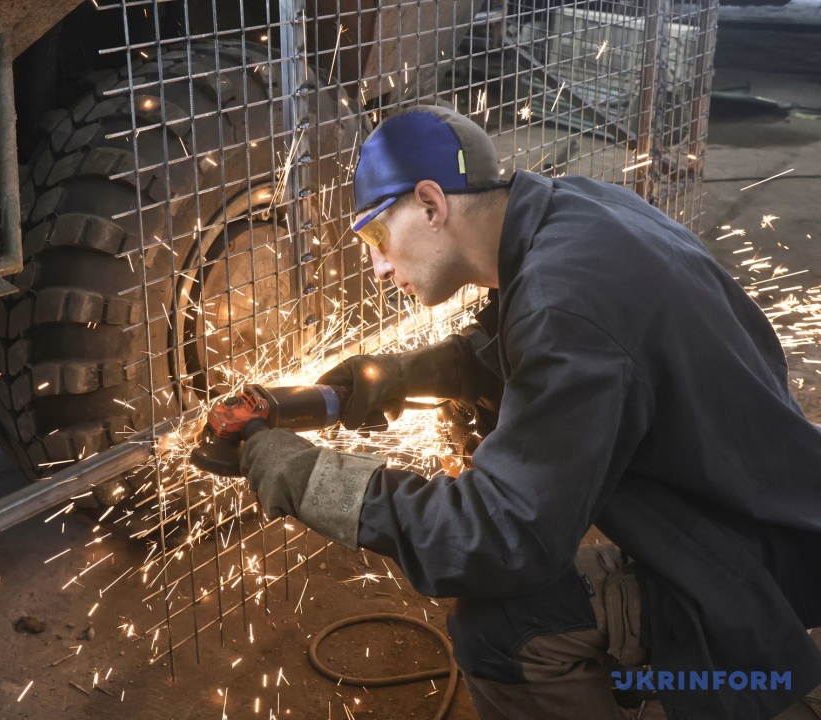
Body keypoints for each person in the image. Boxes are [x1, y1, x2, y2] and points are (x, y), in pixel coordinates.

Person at [238, 104, 821, 719]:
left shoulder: (565, 305)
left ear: (432, 204)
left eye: (377, 237)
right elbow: (518, 345)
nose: (380, 268)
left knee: (503, 631)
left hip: (748, 563)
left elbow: (500, 538)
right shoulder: (573, 213)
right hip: (765, 502)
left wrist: (305, 477)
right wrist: (406, 375)